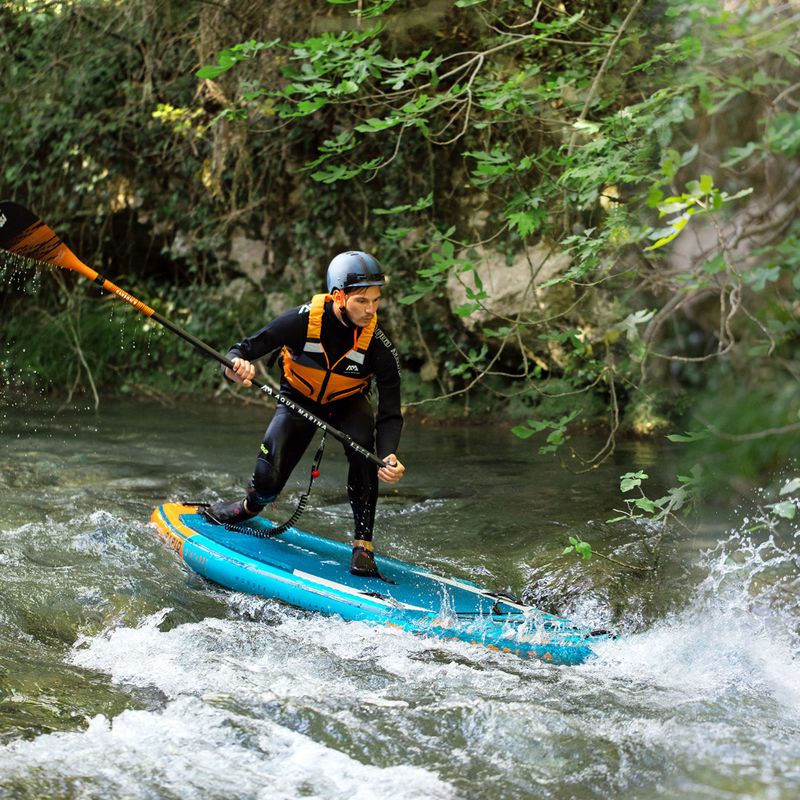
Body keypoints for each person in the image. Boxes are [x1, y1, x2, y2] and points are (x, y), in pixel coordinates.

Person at [203, 250, 405, 579]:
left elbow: (391, 410)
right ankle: (250, 506)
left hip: (347, 403)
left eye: (376, 301)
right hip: (299, 398)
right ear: (338, 296)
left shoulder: (378, 345)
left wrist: (390, 454)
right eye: (362, 301)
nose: (371, 310)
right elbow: (242, 350)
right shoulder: (302, 320)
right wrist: (236, 368)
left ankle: (363, 545)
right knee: (268, 478)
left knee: (364, 446)